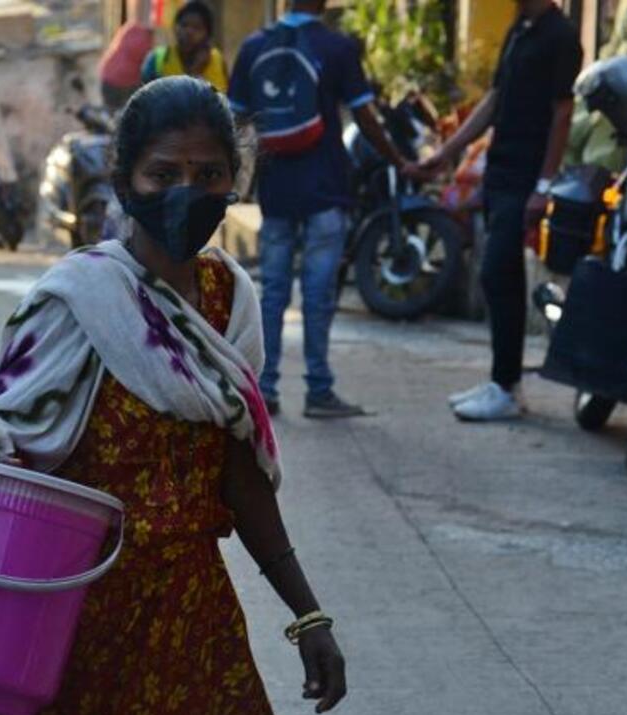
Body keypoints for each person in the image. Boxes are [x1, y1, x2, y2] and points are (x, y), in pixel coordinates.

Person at [0, 76, 347, 715]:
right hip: (72, 634)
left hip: (194, 631)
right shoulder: (78, 299)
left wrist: (309, 612)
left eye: (208, 174)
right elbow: (8, 414)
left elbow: (241, 480)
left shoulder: (230, 301)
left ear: (235, 179)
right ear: (123, 180)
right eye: (163, 175)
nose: (187, 193)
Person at [227, 0, 418, 418]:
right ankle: (318, 389)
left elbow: (236, 124)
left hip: (276, 189)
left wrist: (230, 179)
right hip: (326, 186)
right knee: (318, 293)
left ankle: (265, 390)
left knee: (273, 291)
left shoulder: (254, 46)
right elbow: (365, 117)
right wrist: (397, 159)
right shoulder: (337, 47)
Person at [416, 0, 582, 421]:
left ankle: (506, 389)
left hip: (528, 175)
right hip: (501, 169)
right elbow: (493, 100)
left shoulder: (561, 37)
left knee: (496, 271)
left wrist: (544, 185)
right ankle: (502, 381)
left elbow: (563, 114)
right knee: (502, 278)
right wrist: (447, 153)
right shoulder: (519, 30)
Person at [140, 1, 228, 94]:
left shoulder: (218, 60)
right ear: (175, 27)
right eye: (184, 25)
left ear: (207, 35)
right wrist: (193, 72)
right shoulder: (157, 60)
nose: (188, 32)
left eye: (197, 27)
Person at [96, 8, 154, 110]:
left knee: (114, 115)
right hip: (118, 82)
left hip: (109, 77)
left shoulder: (131, 28)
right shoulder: (143, 37)